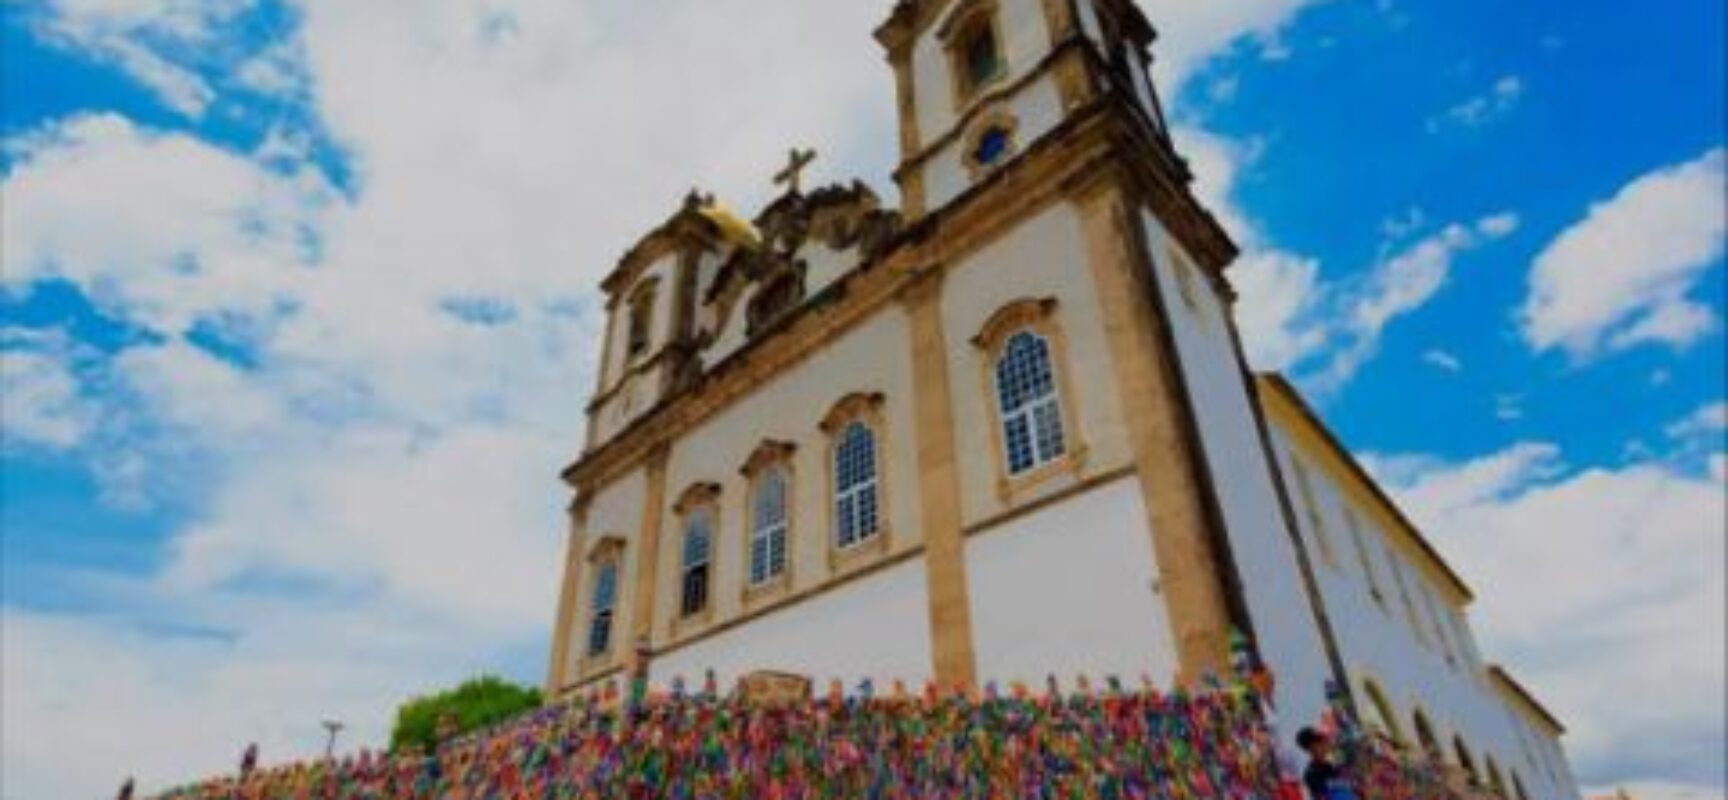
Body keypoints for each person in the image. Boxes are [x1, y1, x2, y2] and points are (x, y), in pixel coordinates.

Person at [1297, 727, 1358, 800]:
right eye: (1317, 742)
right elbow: (1320, 797)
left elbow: (1351, 790)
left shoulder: (1333, 766)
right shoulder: (1311, 773)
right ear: (1308, 748)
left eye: (1322, 740)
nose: (1323, 744)